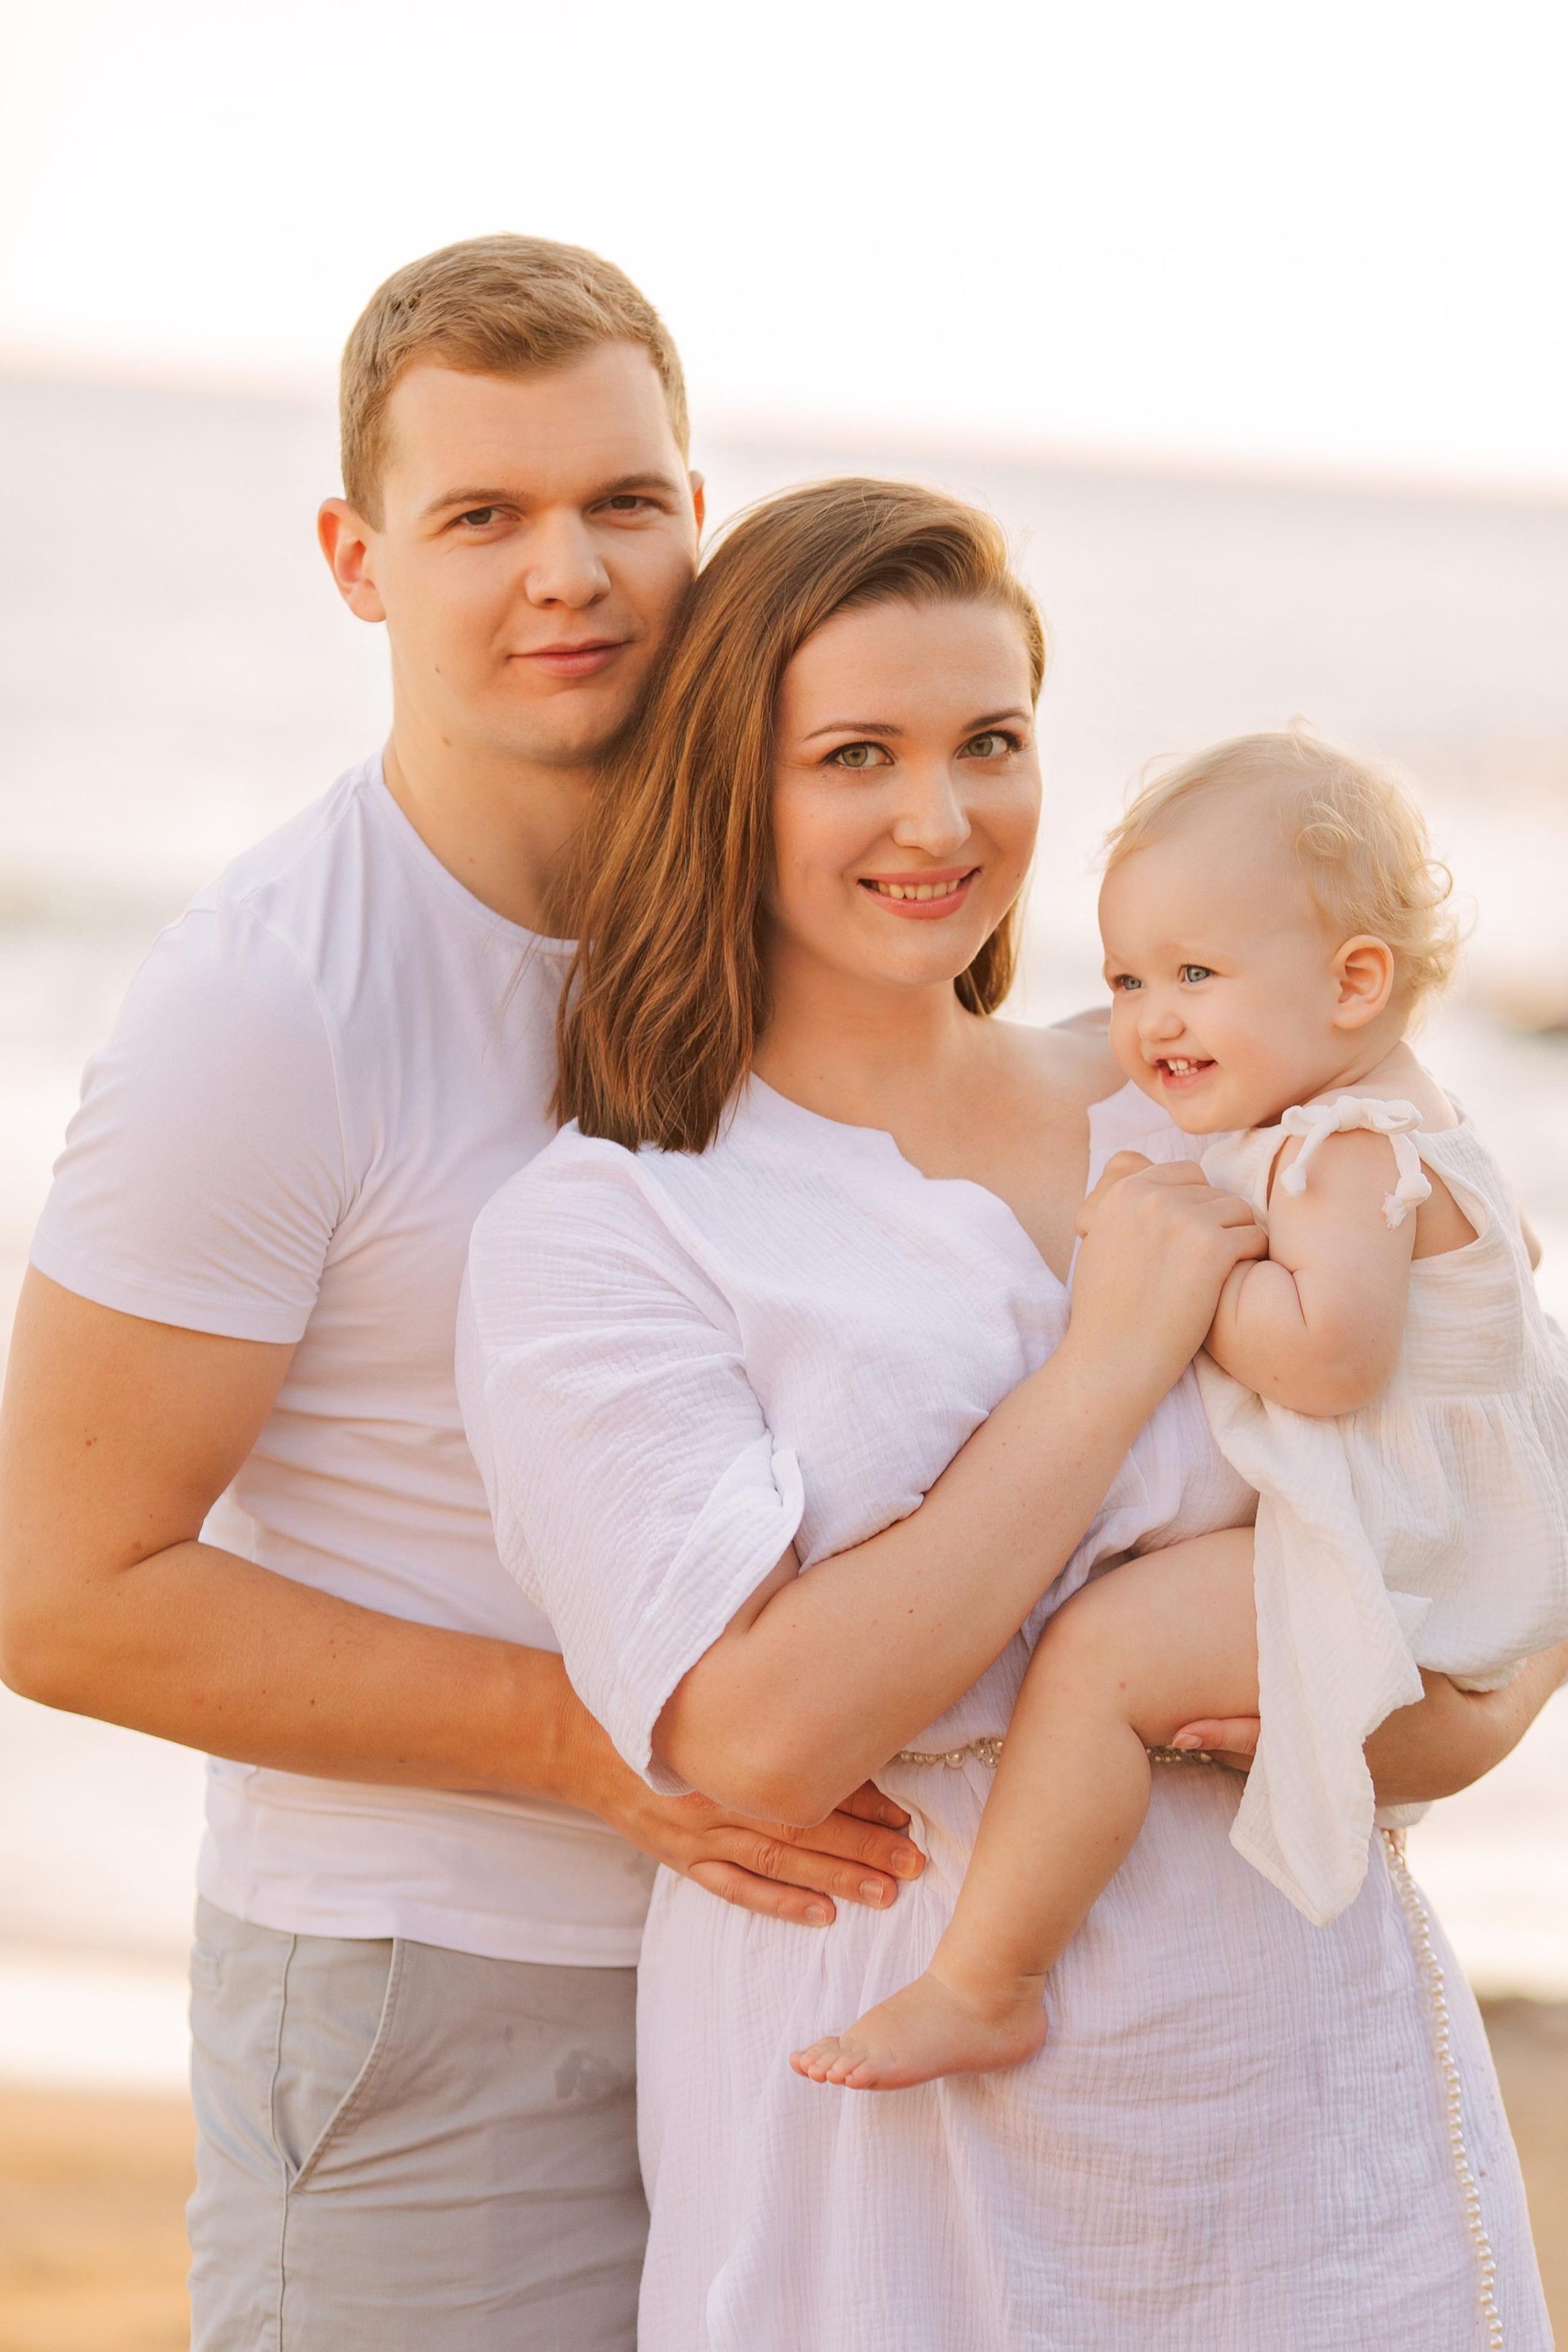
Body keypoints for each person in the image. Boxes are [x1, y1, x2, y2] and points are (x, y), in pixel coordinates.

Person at [458, 477, 1559, 2349]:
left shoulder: (1201, 1098)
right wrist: (1105, 1369)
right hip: (907, 2125)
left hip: (1302, 2086)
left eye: (990, 741)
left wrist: (1469, 1714)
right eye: (856, 756)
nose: (941, 818)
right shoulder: (613, 1225)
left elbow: (1507, 1428)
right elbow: (756, 1735)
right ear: (729, 789)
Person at [0, 239, 924, 2351]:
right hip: (431, 1993)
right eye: (483, 516)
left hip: (780, 1981)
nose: (566, 576)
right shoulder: (271, 1006)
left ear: (699, 517)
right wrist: (602, 1752)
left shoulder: (794, 928)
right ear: (359, 562)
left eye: (622, 503)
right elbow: (60, 1594)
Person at [793, 728, 1568, 2098]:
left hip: (1404, 1561)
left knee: (1102, 1657)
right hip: (1452, 1535)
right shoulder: (1400, 1105)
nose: (1152, 1021)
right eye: (1125, 979)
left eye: (1197, 977)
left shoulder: (1340, 1150)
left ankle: (986, 1983)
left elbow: (1329, 1358)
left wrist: (1172, 1283)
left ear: (1353, 982)